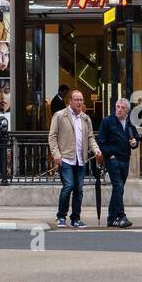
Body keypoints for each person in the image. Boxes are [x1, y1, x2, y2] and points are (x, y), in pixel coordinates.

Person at [47, 90, 102, 229]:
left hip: (80, 159)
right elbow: (52, 136)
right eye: (76, 100)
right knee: (69, 186)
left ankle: (76, 218)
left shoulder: (85, 118)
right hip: (66, 158)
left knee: (79, 189)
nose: (79, 102)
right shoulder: (60, 116)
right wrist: (56, 154)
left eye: (81, 100)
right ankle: (61, 216)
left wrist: (96, 149)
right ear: (70, 101)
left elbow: (90, 137)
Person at [97, 98, 139, 227]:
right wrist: (110, 155)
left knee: (118, 189)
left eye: (122, 108)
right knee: (118, 186)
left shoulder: (130, 123)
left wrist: (134, 143)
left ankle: (111, 219)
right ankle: (121, 216)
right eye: (117, 107)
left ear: (127, 110)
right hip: (113, 159)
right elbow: (101, 141)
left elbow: (136, 138)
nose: (119, 110)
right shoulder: (108, 121)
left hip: (125, 158)